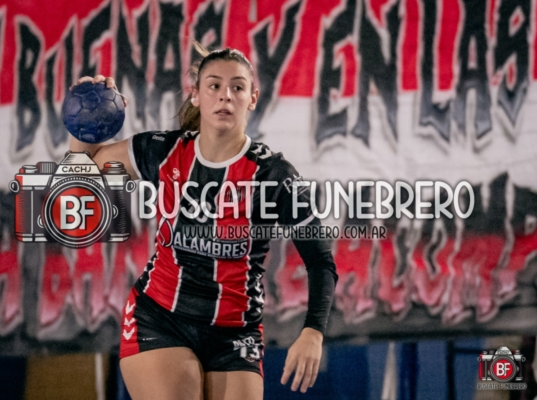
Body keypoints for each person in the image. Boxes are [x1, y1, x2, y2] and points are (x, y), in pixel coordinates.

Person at [70, 45, 338, 400]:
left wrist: (313, 332)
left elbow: (320, 261)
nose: (226, 95)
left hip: (235, 331)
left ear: (252, 98)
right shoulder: (164, 151)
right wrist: (84, 122)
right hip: (161, 317)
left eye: (237, 87)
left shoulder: (274, 176)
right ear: (195, 95)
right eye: (214, 85)